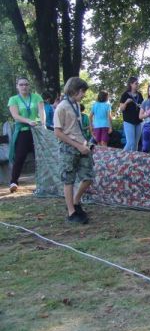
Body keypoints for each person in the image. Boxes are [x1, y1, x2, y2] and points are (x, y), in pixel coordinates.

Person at [53, 77, 93, 224]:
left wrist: (85, 144)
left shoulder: (76, 104)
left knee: (89, 176)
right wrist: (77, 146)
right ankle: (71, 213)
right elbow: (57, 132)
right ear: (75, 90)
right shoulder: (62, 107)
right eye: (82, 91)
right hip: (68, 147)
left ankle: (76, 202)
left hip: (82, 146)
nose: (83, 95)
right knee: (68, 180)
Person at [7, 77, 45, 193]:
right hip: (23, 131)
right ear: (17, 86)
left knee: (40, 158)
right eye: (21, 85)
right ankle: (13, 182)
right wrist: (28, 121)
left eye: (26, 84)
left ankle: (42, 183)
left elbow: (42, 112)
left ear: (29, 86)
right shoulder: (13, 99)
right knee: (19, 157)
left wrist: (43, 124)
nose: (24, 87)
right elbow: (15, 116)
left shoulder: (36, 97)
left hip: (36, 132)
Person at [119, 77, 143, 151]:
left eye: (137, 83)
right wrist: (126, 102)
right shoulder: (125, 95)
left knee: (136, 143)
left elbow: (143, 106)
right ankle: (121, 158)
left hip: (138, 121)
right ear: (131, 84)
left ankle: (133, 160)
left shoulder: (139, 95)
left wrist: (141, 106)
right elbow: (121, 108)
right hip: (128, 121)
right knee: (130, 143)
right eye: (136, 83)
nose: (137, 85)